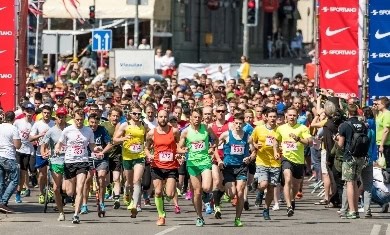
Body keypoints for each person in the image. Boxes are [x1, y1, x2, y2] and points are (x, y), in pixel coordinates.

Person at [55, 109, 104, 224]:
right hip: (69, 162)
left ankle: (76, 215)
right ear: (73, 118)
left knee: (80, 187)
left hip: (82, 161)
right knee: (69, 192)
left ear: (84, 119)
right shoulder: (67, 130)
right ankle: (68, 197)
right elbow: (60, 143)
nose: (79, 122)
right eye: (77, 119)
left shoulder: (88, 131)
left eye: (81, 120)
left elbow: (91, 146)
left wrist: (96, 149)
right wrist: (57, 148)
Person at [178, 108, 218, 227]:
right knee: (197, 192)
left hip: (205, 161)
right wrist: (183, 150)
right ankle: (199, 217)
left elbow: (215, 139)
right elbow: (179, 147)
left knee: (206, 187)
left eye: (198, 117)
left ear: (201, 118)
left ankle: (207, 195)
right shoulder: (185, 132)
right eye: (194, 117)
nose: (197, 119)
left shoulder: (206, 128)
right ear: (190, 118)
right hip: (192, 164)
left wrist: (213, 147)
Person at [144, 110, 183, 226]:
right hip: (157, 166)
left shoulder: (174, 131)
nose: (163, 119)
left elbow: (179, 145)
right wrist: (149, 155)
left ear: (168, 118)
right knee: (158, 191)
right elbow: (146, 147)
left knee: (170, 194)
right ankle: (161, 216)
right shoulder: (151, 133)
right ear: (157, 118)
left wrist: (179, 153)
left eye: (165, 117)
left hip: (171, 166)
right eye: (160, 117)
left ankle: (167, 197)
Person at [216, 113, 255, 227]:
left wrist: (250, 158)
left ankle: (237, 218)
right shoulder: (226, 135)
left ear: (243, 124)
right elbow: (215, 147)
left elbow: (253, 152)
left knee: (240, 192)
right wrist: (219, 160)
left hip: (242, 167)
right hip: (228, 167)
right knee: (232, 193)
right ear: (233, 123)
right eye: (236, 123)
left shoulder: (248, 136)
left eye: (240, 124)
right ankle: (219, 196)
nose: (238, 125)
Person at [274, 107, 312, 217]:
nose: (292, 117)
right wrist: (276, 151)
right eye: (290, 115)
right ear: (286, 116)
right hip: (286, 158)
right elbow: (276, 140)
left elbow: (309, 141)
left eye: (294, 115)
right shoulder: (281, 128)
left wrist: (299, 139)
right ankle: (289, 206)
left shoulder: (302, 128)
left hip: (299, 161)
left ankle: (292, 198)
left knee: (296, 186)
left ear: (297, 116)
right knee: (288, 179)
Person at [113, 104, 148, 218]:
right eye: (134, 113)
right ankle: (127, 193)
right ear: (130, 114)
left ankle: (135, 204)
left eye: (139, 114)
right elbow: (115, 139)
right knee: (128, 182)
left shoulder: (144, 125)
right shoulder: (125, 125)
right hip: (127, 156)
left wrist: (148, 147)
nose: (137, 116)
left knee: (137, 180)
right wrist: (123, 138)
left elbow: (148, 138)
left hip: (139, 155)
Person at [335, 104, 368, 219]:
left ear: (347, 112)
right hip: (360, 157)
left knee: (349, 183)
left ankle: (352, 210)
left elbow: (340, 145)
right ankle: (355, 210)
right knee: (355, 182)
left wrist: (337, 139)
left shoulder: (344, 125)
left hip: (349, 157)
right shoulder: (363, 125)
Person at [252, 107, 281, 220]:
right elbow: (251, 140)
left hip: (275, 163)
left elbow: (282, 143)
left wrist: (280, 151)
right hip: (262, 161)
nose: (273, 119)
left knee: (271, 187)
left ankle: (266, 209)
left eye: (274, 117)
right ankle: (258, 188)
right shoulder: (259, 129)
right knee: (264, 184)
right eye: (270, 116)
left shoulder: (279, 130)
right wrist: (254, 146)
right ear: (266, 117)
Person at [80, 114, 113, 214]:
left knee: (101, 177)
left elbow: (110, 144)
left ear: (98, 122)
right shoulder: (85, 130)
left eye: (96, 123)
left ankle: (102, 202)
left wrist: (102, 152)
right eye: (92, 123)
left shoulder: (102, 130)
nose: (94, 125)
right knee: (87, 179)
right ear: (88, 122)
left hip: (101, 158)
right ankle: (84, 205)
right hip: (88, 158)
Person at [40, 107, 69, 221]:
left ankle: (67, 197)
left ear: (65, 117)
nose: (60, 119)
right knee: (56, 188)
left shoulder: (70, 129)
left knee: (66, 189)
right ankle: (61, 212)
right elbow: (43, 145)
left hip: (69, 160)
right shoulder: (51, 131)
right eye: (59, 117)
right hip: (55, 160)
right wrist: (44, 153)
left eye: (63, 117)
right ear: (55, 117)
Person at [29, 105, 55, 204]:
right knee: (42, 174)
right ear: (42, 113)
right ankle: (42, 193)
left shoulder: (54, 123)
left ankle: (52, 191)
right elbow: (30, 138)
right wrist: (40, 135)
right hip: (41, 151)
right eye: (44, 113)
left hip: (52, 152)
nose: (46, 115)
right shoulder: (37, 124)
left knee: (54, 174)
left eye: (48, 113)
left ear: (51, 113)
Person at [101, 107, 122, 209]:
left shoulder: (122, 127)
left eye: (117, 116)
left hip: (116, 155)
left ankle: (117, 198)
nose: (115, 118)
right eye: (113, 116)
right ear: (109, 116)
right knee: (105, 180)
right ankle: (102, 199)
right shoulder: (103, 126)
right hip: (105, 156)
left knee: (116, 178)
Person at [210, 102, 229, 218]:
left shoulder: (230, 125)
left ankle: (217, 197)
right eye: (218, 111)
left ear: (226, 112)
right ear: (215, 113)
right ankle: (216, 207)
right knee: (216, 181)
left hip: (227, 158)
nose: (221, 113)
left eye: (223, 111)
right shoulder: (211, 127)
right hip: (214, 158)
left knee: (224, 185)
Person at [14, 102, 36, 203]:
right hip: (18, 150)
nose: (29, 113)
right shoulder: (18, 122)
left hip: (29, 151)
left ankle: (33, 176)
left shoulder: (35, 124)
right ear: (24, 111)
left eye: (31, 111)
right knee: (20, 173)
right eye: (27, 111)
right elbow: (12, 134)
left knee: (30, 171)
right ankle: (18, 193)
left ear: (34, 112)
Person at [0, 111, 22, 213]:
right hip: (8, 156)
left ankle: (1, 202)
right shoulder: (13, 129)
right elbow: (17, 145)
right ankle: (3, 202)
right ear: (14, 119)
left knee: (1, 181)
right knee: (15, 180)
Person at [376, 97, 390, 172]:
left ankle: (387, 181)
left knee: (386, 166)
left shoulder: (387, 114)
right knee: (382, 164)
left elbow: (386, 130)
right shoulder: (381, 114)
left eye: (378, 104)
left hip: (386, 144)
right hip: (380, 143)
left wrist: (382, 145)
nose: (376, 105)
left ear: (383, 105)